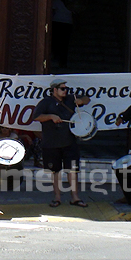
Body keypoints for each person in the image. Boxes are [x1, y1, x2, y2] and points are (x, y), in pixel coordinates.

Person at [33, 79, 91, 208]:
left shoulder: (70, 99)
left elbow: (87, 99)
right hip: (52, 142)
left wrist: (81, 101)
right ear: (54, 90)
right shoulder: (46, 102)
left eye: (66, 89)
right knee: (55, 171)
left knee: (73, 171)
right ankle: (57, 197)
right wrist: (51, 116)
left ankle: (75, 197)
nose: (65, 91)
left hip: (70, 141)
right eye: (62, 89)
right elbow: (36, 116)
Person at [52, 0, 74, 68]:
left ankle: (59, 59)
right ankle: (61, 60)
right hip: (65, 23)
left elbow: (52, 11)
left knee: (59, 42)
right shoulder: (70, 1)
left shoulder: (58, 1)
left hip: (59, 22)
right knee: (62, 43)